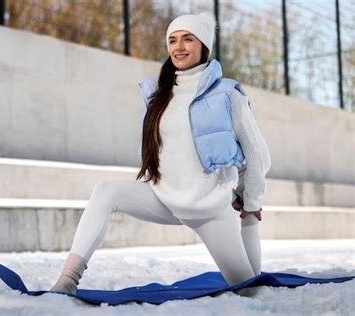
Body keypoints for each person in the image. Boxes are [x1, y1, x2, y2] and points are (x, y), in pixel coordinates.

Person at [50, 12, 271, 296]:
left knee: (250, 291)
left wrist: (250, 204)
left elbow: (257, 154)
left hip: (210, 209)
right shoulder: (158, 93)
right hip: (165, 198)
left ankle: (249, 225)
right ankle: (67, 280)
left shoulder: (228, 94)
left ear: (204, 45)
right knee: (106, 191)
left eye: (188, 39)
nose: (178, 47)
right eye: (172, 40)